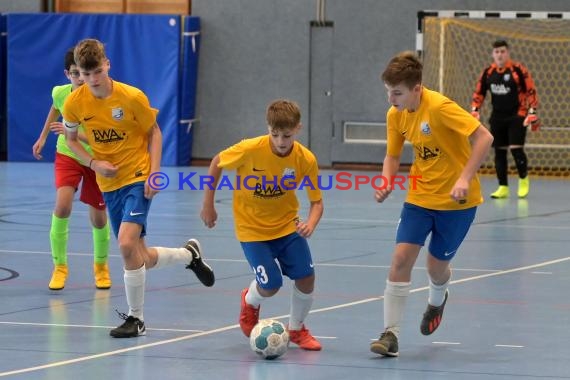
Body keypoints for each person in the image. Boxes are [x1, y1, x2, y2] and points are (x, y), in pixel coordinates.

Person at [62, 38, 215, 338]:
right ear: (78, 72)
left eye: (97, 72)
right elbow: (70, 140)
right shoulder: (74, 103)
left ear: (107, 65)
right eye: (85, 74)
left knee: (124, 243)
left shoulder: (131, 97)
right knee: (139, 255)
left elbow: (154, 132)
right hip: (108, 182)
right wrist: (94, 165)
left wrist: (154, 173)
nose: (92, 80)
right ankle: (189, 256)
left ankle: (137, 319)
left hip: (136, 175)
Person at [369, 51, 493, 357]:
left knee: (436, 268)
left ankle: (437, 300)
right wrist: (386, 179)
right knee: (400, 259)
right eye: (388, 92)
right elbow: (393, 155)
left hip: (457, 203)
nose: (391, 99)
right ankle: (390, 334)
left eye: (396, 93)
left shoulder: (439, 107)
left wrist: (464, 178)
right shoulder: (395, 114)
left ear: (416, 89)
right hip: (419, 198)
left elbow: (484, 137)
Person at [200, 99, 324, 351]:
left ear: (298, 129)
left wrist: (310, 223)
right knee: (271, 285)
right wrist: (208, 204)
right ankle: (249, 300)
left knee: (307, 278)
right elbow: (217, 163)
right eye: (274, 134)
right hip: (252, 230)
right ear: (267, 128)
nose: (280, 141)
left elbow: (317, 203)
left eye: (286, 136)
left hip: (287, 227)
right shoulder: (249, 149)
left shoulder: (305, 159)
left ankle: (297, 330)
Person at [32, 48, 111, 291]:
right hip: (68, 155)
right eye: (75, 73)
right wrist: (43, 136)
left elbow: (100, 137)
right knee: (62, 205)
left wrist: (74, 135)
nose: (80, 78)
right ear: (68, 74)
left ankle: (100, 266)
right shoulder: (61, 93)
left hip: (96, 159)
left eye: (84, 73)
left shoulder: (99, 97)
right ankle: (60, 267)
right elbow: (55, 107)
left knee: (98, 218)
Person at [471, 39, 539, 199]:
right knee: (499, 152)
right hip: (497, 117)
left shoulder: (518, 70)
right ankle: (503, 187)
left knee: (516, 149)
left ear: (507, 53)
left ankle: (523, 179)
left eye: (502, 51)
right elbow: (479, 93)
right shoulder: (488, 72)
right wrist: (475, 109)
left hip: (517, 115)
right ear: (492, 54)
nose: (500, 55)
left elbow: (531, 90)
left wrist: (532, 111)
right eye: (497, 52)